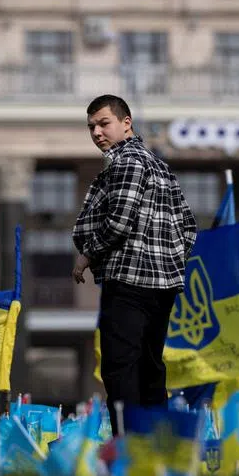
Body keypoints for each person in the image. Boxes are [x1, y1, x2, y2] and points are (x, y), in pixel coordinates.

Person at [73, 94, 197, 435]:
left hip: (128, 281)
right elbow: (189, 226)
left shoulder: (126, 161)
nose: (97, 132)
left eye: (103, 123)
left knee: (120, 367)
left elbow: (119, 221)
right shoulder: (160, 166)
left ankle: (127, 448)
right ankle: (156, 449)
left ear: (126, 123)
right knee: (150, 368)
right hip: (163, 287)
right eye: (91, 127)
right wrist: (169, 261)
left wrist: (87, 255)